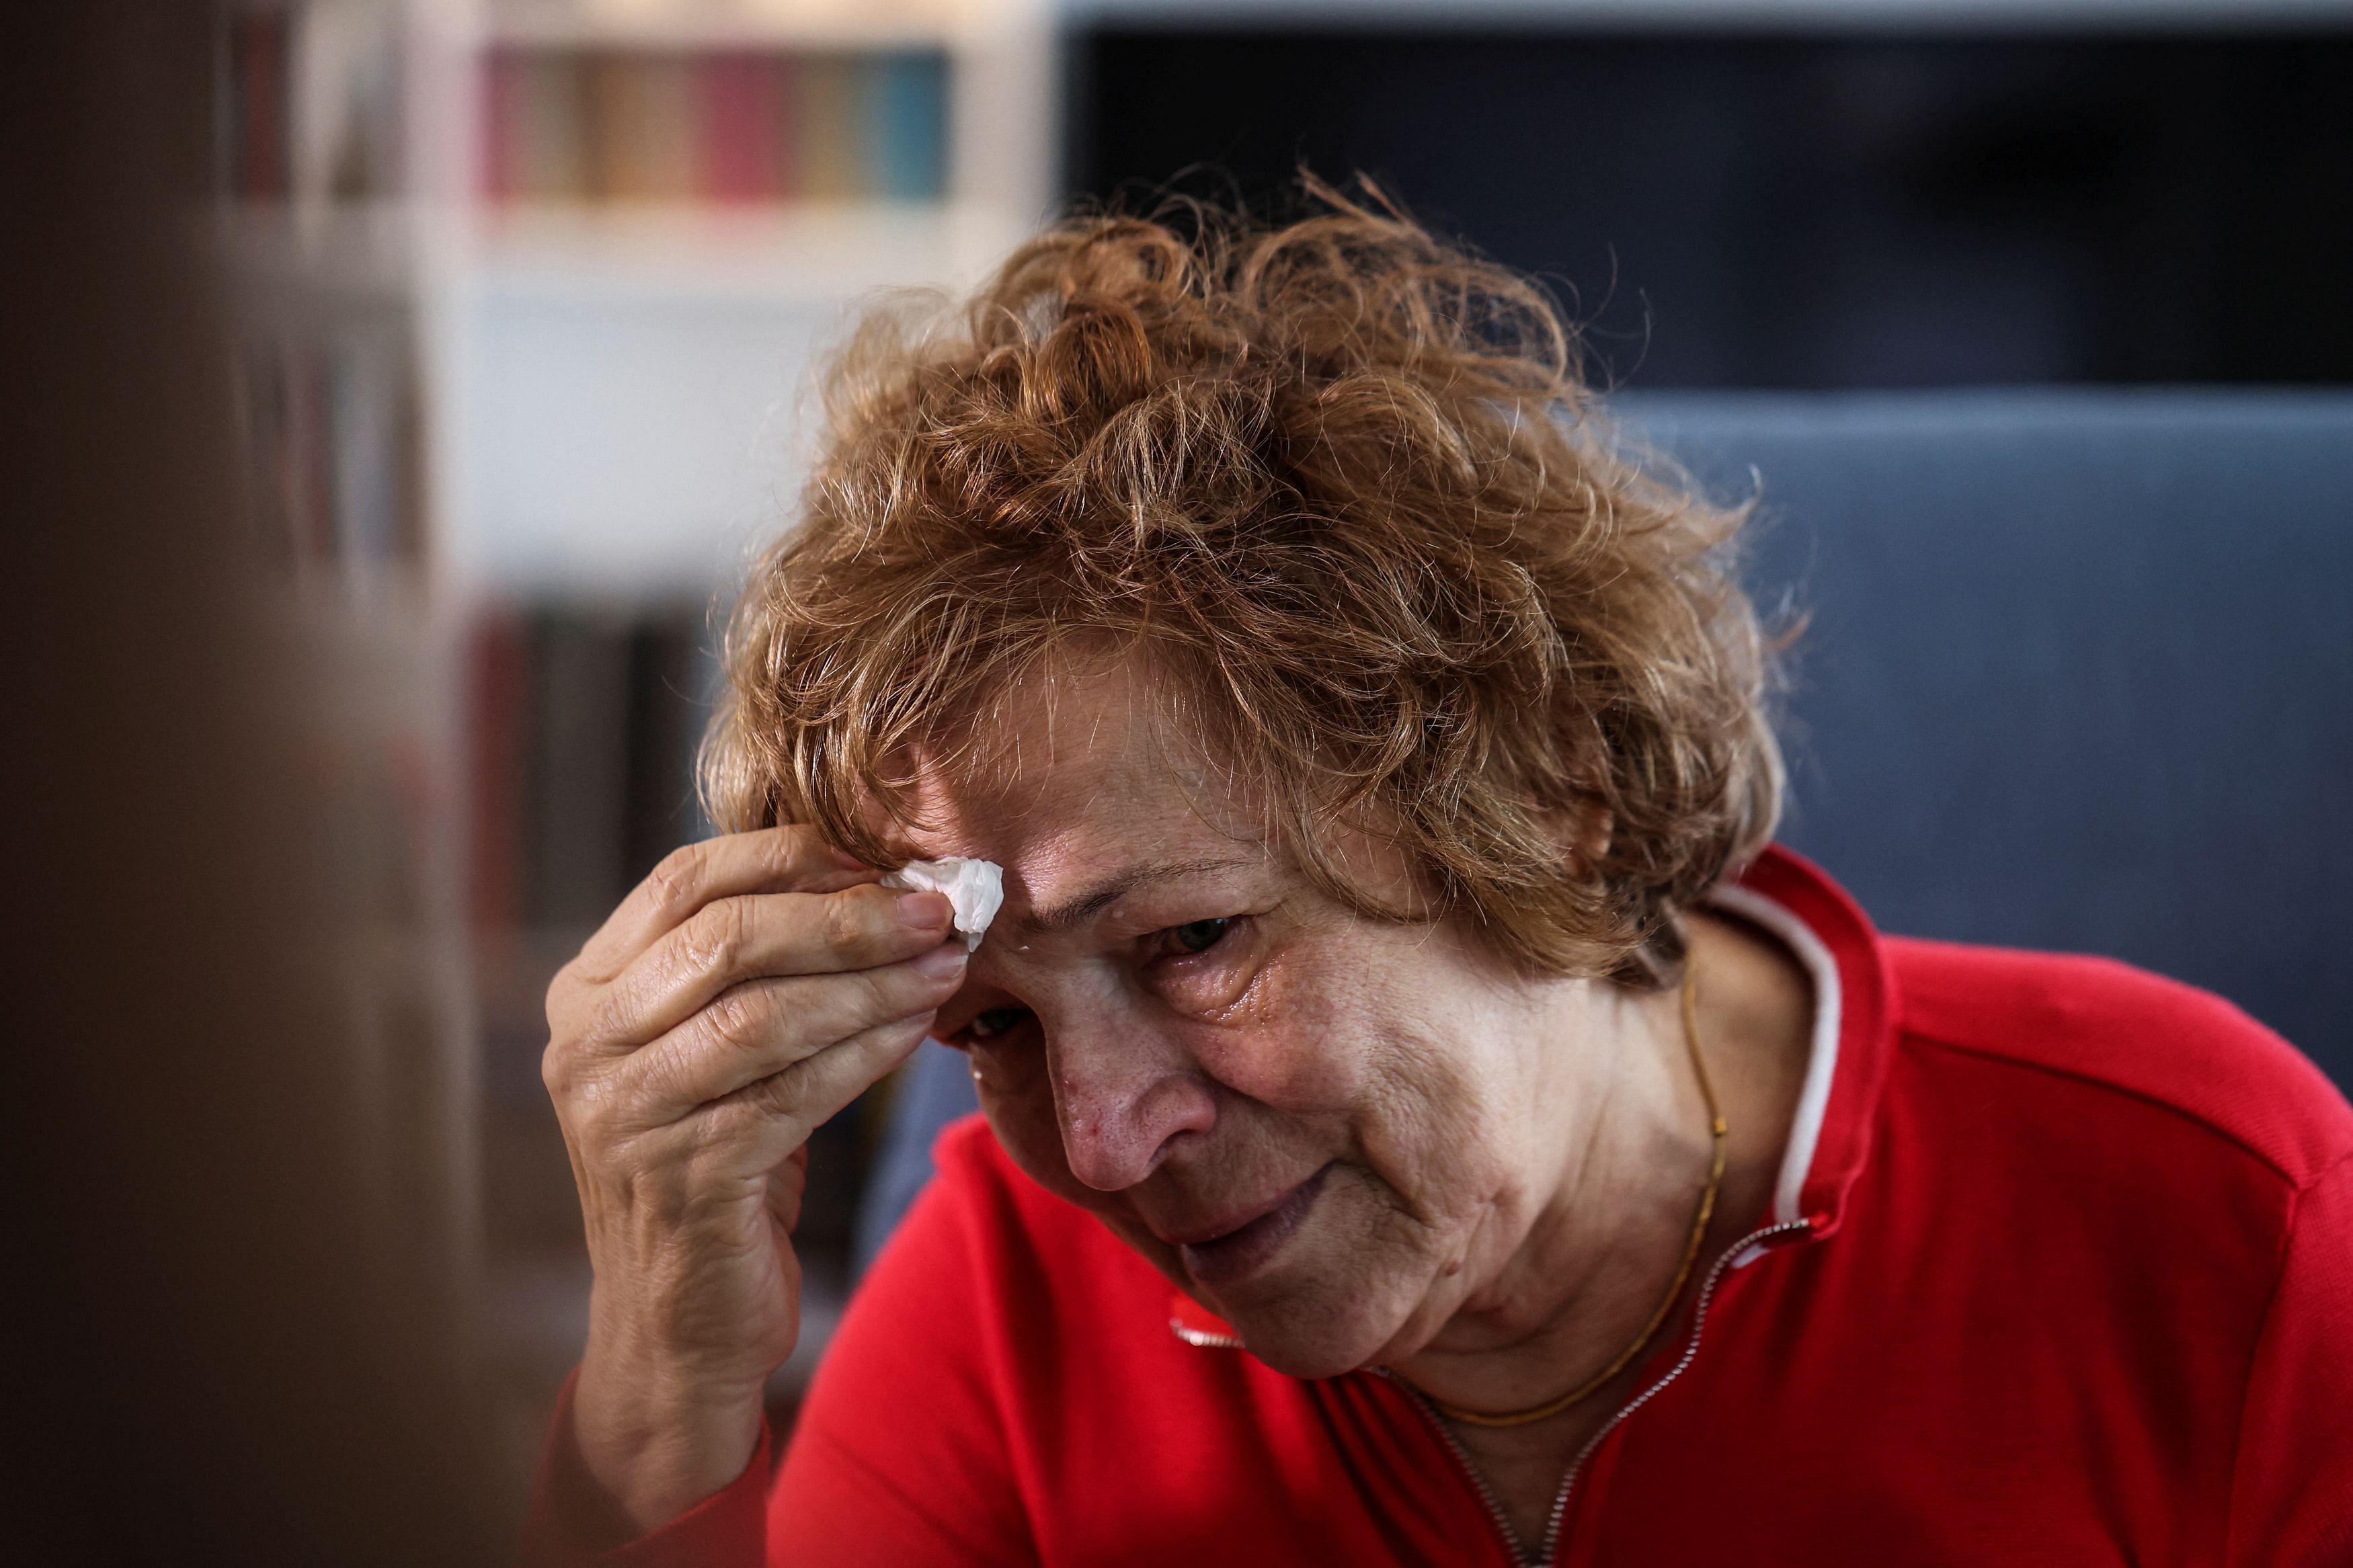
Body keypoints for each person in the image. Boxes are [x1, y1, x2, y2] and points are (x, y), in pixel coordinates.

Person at [526, 189, 2353, 1567]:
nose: (1098, 1143)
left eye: (1190, 941)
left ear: (1540, 794)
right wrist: (665, 1385)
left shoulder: (2210, 1219)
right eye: (992, 1022)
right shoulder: (1004, 1314)